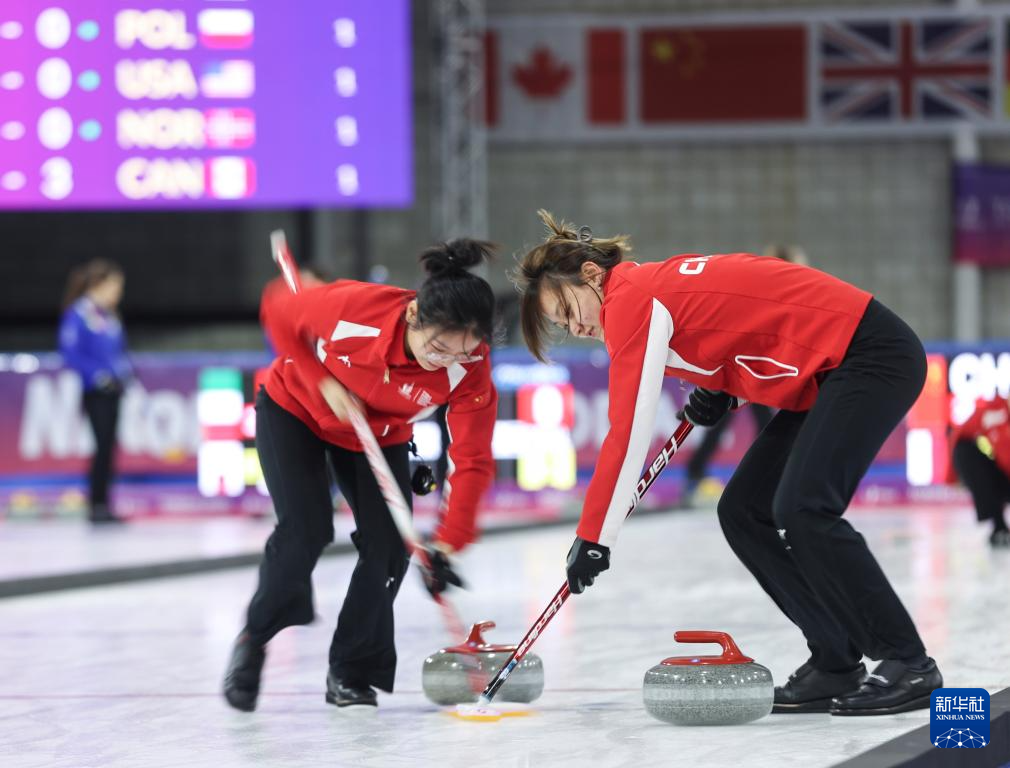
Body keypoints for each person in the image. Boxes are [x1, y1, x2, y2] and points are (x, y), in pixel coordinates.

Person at [512, 210, 942, 717]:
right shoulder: (647, 289)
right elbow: (743, 323)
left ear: (590, 275)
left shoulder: (631, 299)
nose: (578, 325)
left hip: (869, 355)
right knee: (743, 509)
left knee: (804, 508)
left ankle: (908, 661)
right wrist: (721, 391)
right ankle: (836, 659)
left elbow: (627, 432)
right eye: (564, 325)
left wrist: (594, 537)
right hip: (827, 373)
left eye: (569, 308)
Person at [224, 239, 498, 712]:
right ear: (413, 315)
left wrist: (449, 540)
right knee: (305, 530)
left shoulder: (470, 368)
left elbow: (473, 457)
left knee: (390, 547)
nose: (445, 360)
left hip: (379, 433)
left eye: (462, 351)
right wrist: (321, 379)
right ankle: (255, 637)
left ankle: (350, 670)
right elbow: (279, 310)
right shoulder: (356, 307)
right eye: (437, 346)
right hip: (296, 409)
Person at [681, 245, 807, 507]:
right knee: (745, 420)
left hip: (751, 364)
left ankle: (699, 471)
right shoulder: (770, 285)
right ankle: (700, 472)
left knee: (753, 420)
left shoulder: (780, 287)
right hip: (741, 362)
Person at [58, 259, 131, 524]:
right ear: (100, 284)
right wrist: (98, 377)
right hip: (95, 392)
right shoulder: (79, 314)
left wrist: (124, 374)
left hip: (114, 392)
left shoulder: (109, 316)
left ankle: (104, 503)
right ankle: (96, 505)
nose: (119, 292)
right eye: (116, 286)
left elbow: (119, 353)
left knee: (109, 447)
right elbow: (70, 353)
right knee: (101, 446)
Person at [950, 396, 1010, 548]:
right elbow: (959, 435)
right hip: (970, 457)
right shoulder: (994, 411)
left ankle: (1000, 527)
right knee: (969, 455)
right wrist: (952, 477)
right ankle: (999, 527)